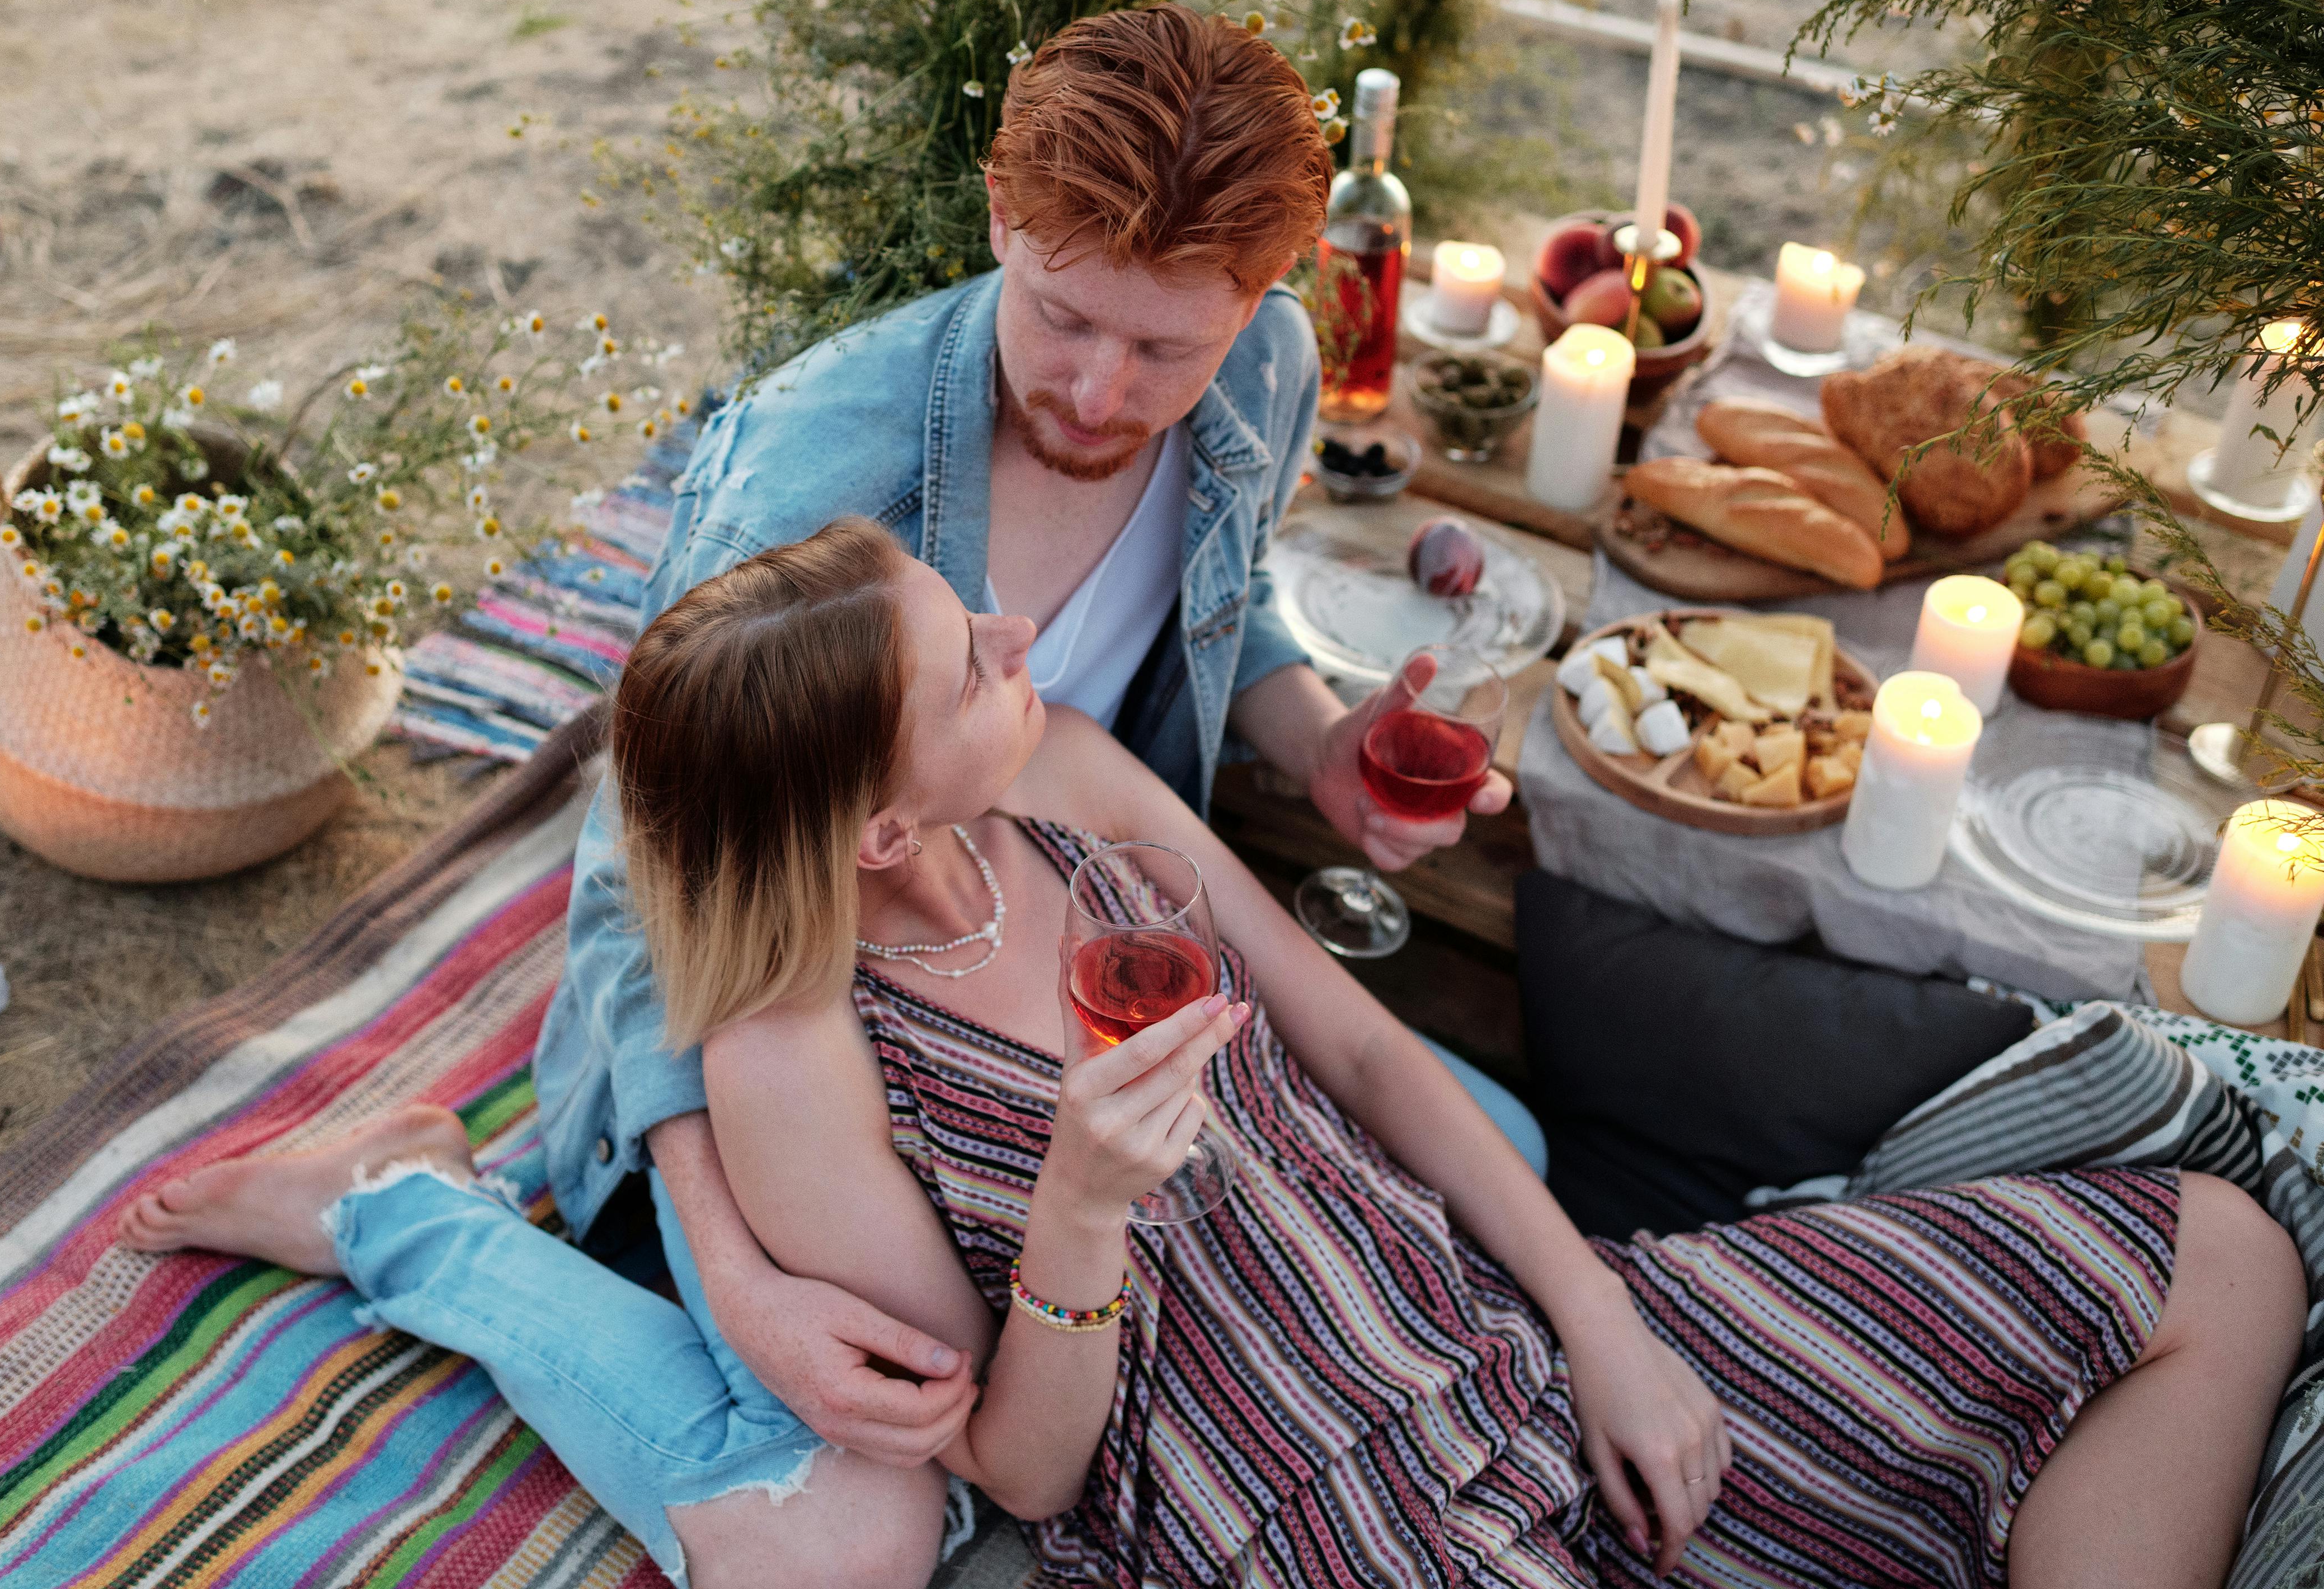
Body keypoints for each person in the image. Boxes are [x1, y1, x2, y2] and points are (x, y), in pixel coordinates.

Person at [125, 6, 1541, 1585]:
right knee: (862, 1532)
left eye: (1167, 350)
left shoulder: (1263, 367)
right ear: (1003, 218)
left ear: (1263, 301)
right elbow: (646, 866)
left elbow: (1220, 583)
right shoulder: (820, 463)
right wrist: (737, 1271)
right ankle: (400, 1206)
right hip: (796, 1043)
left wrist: (1319, 738)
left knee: (1497, 1162)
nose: (1099, 387)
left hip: (1038, 968)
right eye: (1064, 316)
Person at [660, 521, 2303, 1587]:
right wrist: (1080, 1217)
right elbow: (1022, 1470)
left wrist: (1601, 1319)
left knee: (2215, 1256)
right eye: (970, 665)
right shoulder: (794, 1061)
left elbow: (1368, 1060)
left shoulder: (1067, 781)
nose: (1021, 635)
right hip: (1313, 1513)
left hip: (1495, 1337)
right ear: (876, 829)